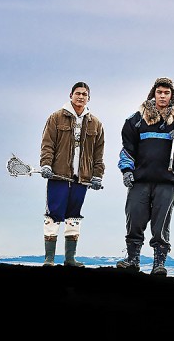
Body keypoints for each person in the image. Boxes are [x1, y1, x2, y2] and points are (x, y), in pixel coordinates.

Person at [116, 77, 174, 276]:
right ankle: (132, 259)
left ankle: (159, 264)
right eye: (159, 92)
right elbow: (127, 149)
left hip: (167, 180)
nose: (162, 96)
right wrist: (126, 171)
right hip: (139, 180)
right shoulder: (135, 120)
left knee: (161, 224)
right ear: (154, 93)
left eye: (167, 93)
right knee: (135, 219)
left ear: (172, 96)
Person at [40, 81, 105, 267]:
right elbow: (47, 144)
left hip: (82, 178)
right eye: (78, 93)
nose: (81, 96)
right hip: (58, 175)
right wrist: (46, 165)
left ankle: (70, 259)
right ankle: (49, 259)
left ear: (88, 98)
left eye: (84, 94)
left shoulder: (96, 124)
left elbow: (98, 153)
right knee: (53, 214)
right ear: (70, 95)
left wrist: (97, 175)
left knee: (74, 216)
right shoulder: (55, 118)